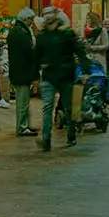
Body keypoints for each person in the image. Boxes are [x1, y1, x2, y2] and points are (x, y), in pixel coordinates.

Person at [36, 9, 82, 152]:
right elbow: (36, 55)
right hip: (50, 75)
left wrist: (85, 70)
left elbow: (80, 50)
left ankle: (71, 133)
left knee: (68, 107)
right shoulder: (42, 36)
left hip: (65, 76)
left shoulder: (67, 34)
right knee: (47, 107)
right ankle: (46, 138)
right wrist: (35, 74)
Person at [6, 8, 39, 137]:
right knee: (23, 101)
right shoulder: (22, 33)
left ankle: (23, 124)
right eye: (31, 19)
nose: (32, 22)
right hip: (22, 71)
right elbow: (28, 52)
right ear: (26, 19)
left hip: (18, 70)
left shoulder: (16, 31)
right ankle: (21, 127)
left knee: (23, 101)